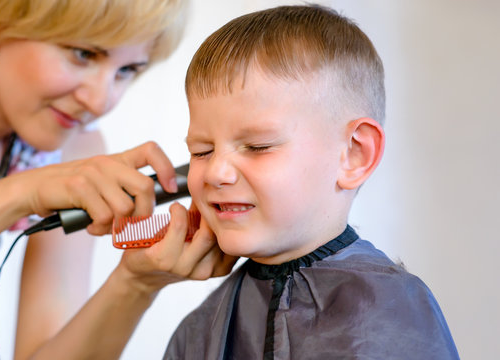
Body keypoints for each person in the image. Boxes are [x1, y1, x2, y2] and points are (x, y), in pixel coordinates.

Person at [164, 4, 460, 359]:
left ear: (354, 155)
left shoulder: (387, 316)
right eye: (201, 151)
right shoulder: (201, 327)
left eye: (258, 147)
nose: (215, 172)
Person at [0, 0, 236, 358]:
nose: (100, 101)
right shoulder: (45, 170)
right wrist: (24, 191)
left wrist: (135, 283)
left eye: (127, 70)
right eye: (82, 54)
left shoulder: (73, 149)